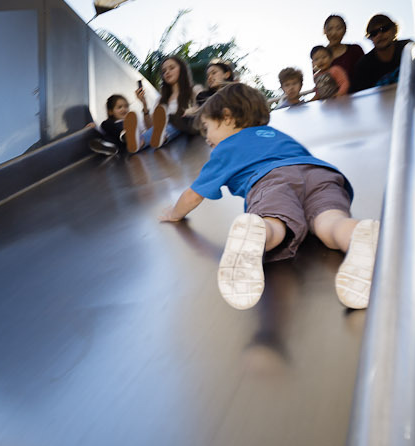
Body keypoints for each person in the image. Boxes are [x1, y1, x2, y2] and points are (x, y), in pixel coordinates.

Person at [159, 83, 379, 311]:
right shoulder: (277, 134)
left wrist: (175, 214)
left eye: (207, 128)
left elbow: (194, 195)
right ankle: (356, 235)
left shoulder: (226, 148)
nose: (206, 138)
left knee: (276, 221)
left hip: (271, 180)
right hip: (320, 174)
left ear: (227, 117)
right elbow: (301, 161)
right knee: (329, 222)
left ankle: (259, 232)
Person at [354, 13, 414, 91]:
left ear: (394, 30)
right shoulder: (363, 65)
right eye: (374, 33)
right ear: (370, 38)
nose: (379, 35)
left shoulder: (408, 48)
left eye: (384, 29)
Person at [321, 15, 365, 91]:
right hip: (333, 101)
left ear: (345, 30)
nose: (334, 33)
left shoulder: (355, 50)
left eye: (338, 28)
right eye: (330, 29)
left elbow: (365, 74)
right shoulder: (319, 56)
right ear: (324, 31)